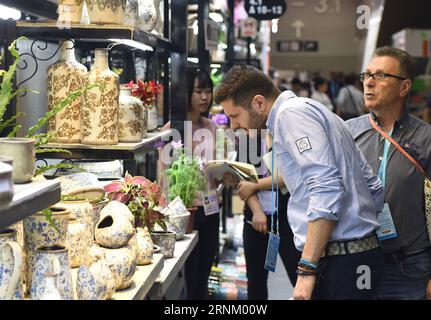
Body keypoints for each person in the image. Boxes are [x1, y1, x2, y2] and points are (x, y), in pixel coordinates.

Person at [214, 64, 385, 300]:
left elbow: (325, 188)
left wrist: (306, 269)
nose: (233, 126)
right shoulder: (313, 110)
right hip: (353, 255)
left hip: (342, 260)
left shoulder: (291, 116)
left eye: (235, 116)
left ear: (259, 103)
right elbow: (373, 185)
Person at [345, 46, 431, 300]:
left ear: (404, 87)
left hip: (409, 267)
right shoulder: (347, 133)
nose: (369, 82)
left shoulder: (425, 138)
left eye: (381, 75)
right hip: (356, 262)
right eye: (367, 75)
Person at [160, 68, 219, 300]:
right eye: (198, 91)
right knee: (191, 276)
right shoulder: (171, 128)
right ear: (186, 93)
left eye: (208, 91)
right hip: (185, 211)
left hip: (211, 208)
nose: (205, 97)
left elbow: (212, 168)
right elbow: (164, 175)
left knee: (202, 274)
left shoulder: (212, 126)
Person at [226, 130, 302, 299]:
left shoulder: (285, 136)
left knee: (299, 275)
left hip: (286, 217)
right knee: (255, 280)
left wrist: (256, 185)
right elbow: (243, 179)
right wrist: (257, 211)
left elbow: (291, 175)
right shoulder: (249, 139)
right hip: (255, 218)